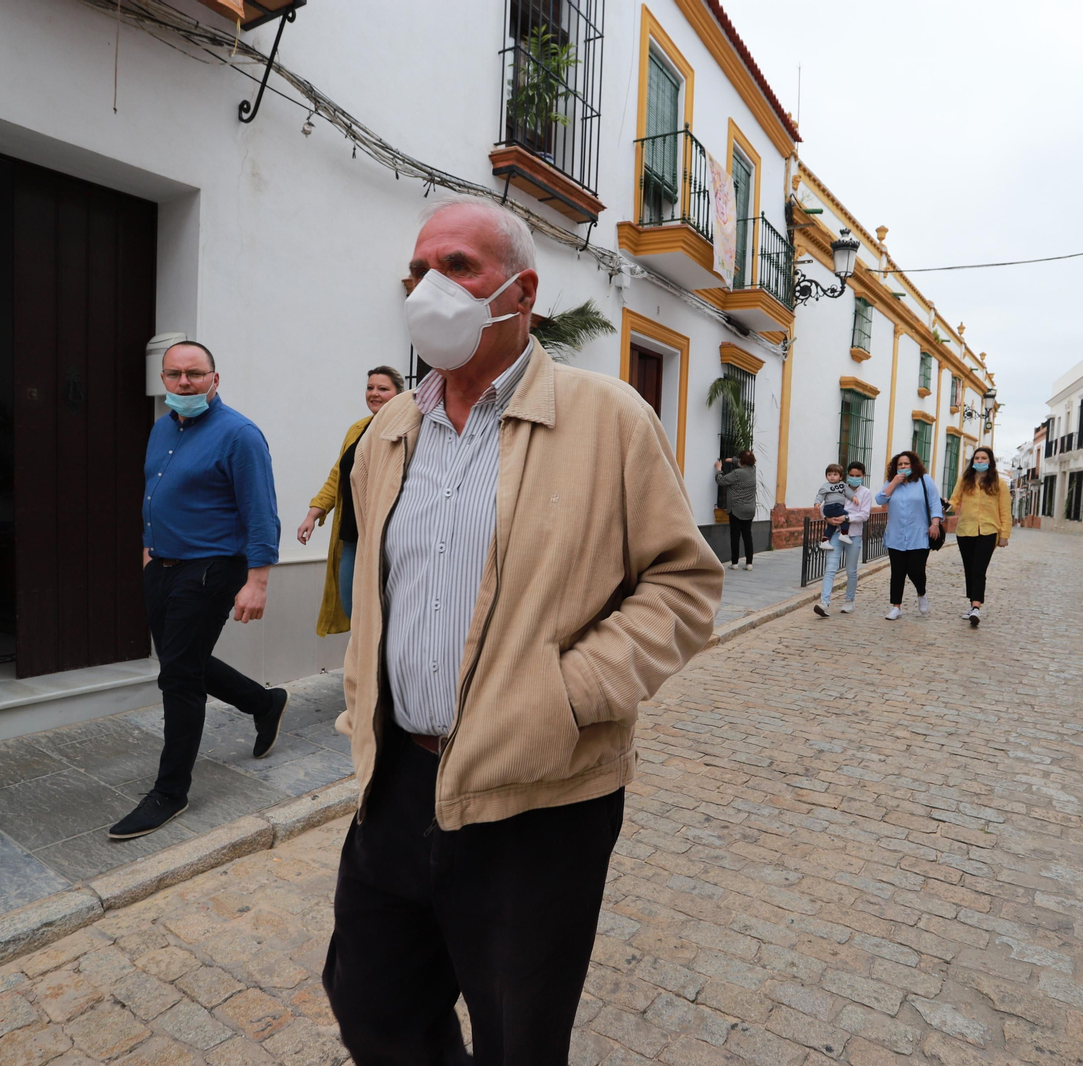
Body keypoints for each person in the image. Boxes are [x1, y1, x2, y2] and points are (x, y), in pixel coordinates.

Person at [322, 196, 722, 1064]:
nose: (431, 289)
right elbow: (384, 592)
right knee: (371, 1008)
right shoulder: (389, 431)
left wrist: (564, 697)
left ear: (521, 291)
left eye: (457, 267)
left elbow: (684, 584)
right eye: (417, 273)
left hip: (541, 800)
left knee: (519, 1037)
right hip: (395, 783)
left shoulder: (610, 419)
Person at [110, 341, 287, 840]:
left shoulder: (239, 435)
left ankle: (171, 791)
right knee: (182, 659)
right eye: (174, 374)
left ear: (214, 377)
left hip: (211, 569)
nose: (183, 383)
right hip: (162, 565)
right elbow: (153, 491)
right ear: (163, 379)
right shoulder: (162, 428)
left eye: (194, 374)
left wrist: (257, 581)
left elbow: (261, 512)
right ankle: (263, 703)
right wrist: (149, 549)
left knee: (178, 678)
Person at [297, 366, 406, 633]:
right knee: (352, 608)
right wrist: (314, 512)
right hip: (352, 539)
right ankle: (361, 670)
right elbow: (338, 476)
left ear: (398, 394)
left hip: (387, 540)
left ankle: (381, 673)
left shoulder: (406, 430)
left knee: (385, 614)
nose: (374, 394)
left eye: (383, 389)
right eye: (370, 388)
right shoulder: (358, 429)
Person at [873, 450, 943, 621]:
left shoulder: (924, 480)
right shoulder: (891, 482)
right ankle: (896, 606)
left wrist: (935, 523)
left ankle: (921, 592)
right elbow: (880, 500)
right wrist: (894, 482)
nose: (903, 467)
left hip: (919, 534)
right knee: (897, 572)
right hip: (896, 535)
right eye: (900, 465)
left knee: (916, 570)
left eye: (906, 464)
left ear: (913, 465)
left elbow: (935, 502)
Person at [948, 446, 1011, 627]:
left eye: (984, 458)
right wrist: (945, 505)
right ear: (973, 461)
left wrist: (1004, 535)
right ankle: (972, 604)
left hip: (989, 531)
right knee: (969, 568)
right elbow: (954, 501)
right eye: (977, 459)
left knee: (979, 569)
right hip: (965, 530)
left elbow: (1005, 511)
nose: (980, 461)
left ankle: (976, 607)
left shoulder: (999, 484)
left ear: (990, 461)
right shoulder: (965, 480)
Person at [814, 461, 874, 617]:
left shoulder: (866, 493)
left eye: (857, 476)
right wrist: (827, 518)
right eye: (852, 475)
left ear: (863, 476)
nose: (854, 478)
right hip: (835, 533)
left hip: (853, 535)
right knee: (830, 568)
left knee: (851, 570)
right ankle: (824, 602)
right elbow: (823, 506)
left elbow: (864, 514)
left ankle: (849, 600)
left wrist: (846, 518)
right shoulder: (838, 487)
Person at [714, 450, 758, 570]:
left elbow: (721, 481)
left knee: (735, 536)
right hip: (749, 509)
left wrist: (719, 469)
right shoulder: (753, 470)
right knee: (747, 535)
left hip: (736, 509)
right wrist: (731, 460)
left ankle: (734, 563)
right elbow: (741, 462)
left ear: (742, 461)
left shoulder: (737, 473)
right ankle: (749, 563)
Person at [813, 463, 854, 550]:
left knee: (832, 525)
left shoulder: (843, 485)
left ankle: (824, 541)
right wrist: (817, 503)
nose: (832, 477)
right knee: (846, 516)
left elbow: (849, 492)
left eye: (835, 475)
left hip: (837, 507)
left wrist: (854, 497)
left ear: (840, 477)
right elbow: (820, 495)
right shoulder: (825, 486)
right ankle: (844, 534)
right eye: (829, 474)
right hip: (831, 506)